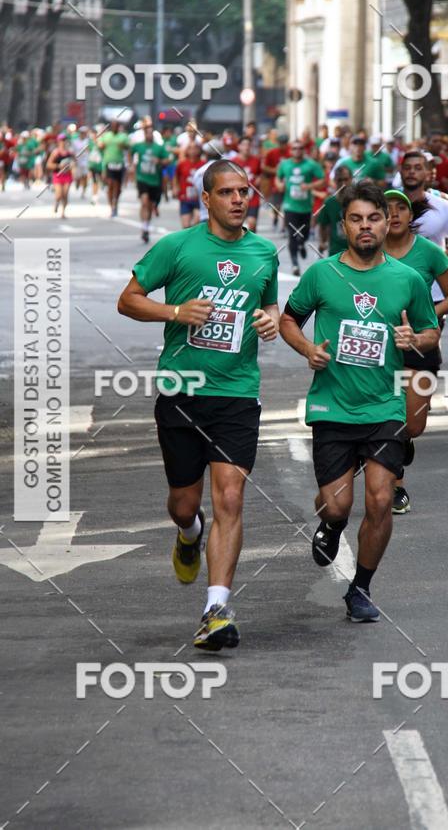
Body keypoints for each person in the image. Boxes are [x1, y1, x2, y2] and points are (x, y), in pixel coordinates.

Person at [117, 160, 280, 650]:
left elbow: (268, 303)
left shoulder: (263, 252)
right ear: (205, 199)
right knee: (184, 502)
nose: (237, 199)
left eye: (244, 191)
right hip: (182, 390)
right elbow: (128, 299)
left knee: (230, 495)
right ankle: (189, 533)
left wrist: (270, 320)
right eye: (227, 192)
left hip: (236, 393)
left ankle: (216, 608)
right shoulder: (178, 246)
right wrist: (174, 311)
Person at [279, 180, 439, 622]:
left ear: (387, 223)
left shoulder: (407, 279)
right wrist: (307, 348)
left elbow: (431, 331)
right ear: (343, 225)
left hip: (384, 406)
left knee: (382, 499)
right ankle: (330, 526)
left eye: (373, 218)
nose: (365, 227)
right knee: (337, 505)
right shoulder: (322, 274)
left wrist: (415, 338)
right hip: (332, 405)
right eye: (356, 219)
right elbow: (289, 319)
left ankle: (361, 589)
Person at [383, 189, 448, 514]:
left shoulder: (430, 252)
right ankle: (395, 484)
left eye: (400, 208)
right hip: (380, 345)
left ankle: (404, 443)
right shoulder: (367, 251)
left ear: (410, 214)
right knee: (388, 416)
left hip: (422, 343)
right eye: (386, 209)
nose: (394, 214)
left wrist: (428, 317)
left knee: (413, 425)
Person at [395, 150, 448, 296]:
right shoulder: (386, 203)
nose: (411, 172)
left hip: (433, 292)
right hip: (394, 288)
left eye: (418, 168)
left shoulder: (442, 206)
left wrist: (436, 261)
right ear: (400, 171)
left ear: (427, 173)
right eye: (407, 168)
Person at [276, 139, 325, 276]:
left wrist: (309, 186)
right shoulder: (285, 164)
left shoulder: (311, 165)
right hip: (290, 206)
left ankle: (302, 244)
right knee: (292, 235)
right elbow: (278, 178)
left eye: (300, 148)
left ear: (304, 150)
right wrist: (279, 184)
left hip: (305, 207)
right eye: (295, 148)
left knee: (305, 233)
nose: (297, 150)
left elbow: (322, 179)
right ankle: (295, 264)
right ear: (291, 150)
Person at [130, 123, 170, 243]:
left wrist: (159, 161)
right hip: (142, 178)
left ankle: (147, 223)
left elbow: (167, 160)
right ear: (144, 134)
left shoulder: (159, 147)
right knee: (144, 202)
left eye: (151, 133)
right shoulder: (138, 146)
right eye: (147, 133)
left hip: (155, 180)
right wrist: (131, 165)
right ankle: (144, 228)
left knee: (150, 205)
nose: (149, 135)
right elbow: (130, 152)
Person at [316, 165, 353, 255]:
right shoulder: (329, 202)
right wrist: (322, 242)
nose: (343, 183)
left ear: (351, 179)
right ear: (334, 181)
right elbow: (322, 225)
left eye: (346, 179)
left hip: (357, 251)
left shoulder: (358, 200)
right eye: (339, 180)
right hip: (336, 251)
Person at [98, 120, 129, 217]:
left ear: (119, 127)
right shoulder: (106, 136)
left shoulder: (123, 136)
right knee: (110, 184)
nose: (115, 127)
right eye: (113, 126)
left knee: (118, 187)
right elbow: (100, 146)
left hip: (119, 163)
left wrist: (123, 146)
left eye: (117, 126)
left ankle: (116, 203)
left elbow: (128, 146)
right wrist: (101, 145)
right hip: (108, 163)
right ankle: (111, 206)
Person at [232, 136, 262, 231]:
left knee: (252, 224)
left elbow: (260, 174)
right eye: (244, 145)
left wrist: (259, 179)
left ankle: (251, 243)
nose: (247, 147)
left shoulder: (256, 160)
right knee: (237, 225)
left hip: (252, 197)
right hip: (238, 198)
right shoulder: (233, 162)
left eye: (249, 145)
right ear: (239, 147)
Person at [261, 133, 289, 231]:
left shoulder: (290, 152)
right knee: (277, 205)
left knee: (287, 205)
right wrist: (275, 170)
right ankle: (276, 218)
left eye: (285, 143)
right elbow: (264, 167)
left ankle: (285, 225)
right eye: (281, 143)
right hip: (275, 182)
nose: (283, 145)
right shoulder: (272, 153)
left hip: (289, 183)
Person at [173, 143, 204, 228]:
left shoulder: (203, 164)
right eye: (190, 148)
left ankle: (193, 236)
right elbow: (176, 177)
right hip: (185, 197)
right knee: (185, 225)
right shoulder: (182, 164)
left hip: (199, 198)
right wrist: (175, 187)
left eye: (195, 148)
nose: (193, 151)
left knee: (197, 221)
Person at [46, 133, 74, 218]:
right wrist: (58, 166)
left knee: (65, 194)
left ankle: (63, 212)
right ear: (58, 141)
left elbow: (74, 162)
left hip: (67, 175)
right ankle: (57, 202)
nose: (63, 142)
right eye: (62, 140)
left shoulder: (70, 152)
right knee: (59, 195)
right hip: (58, 175)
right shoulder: (55, 152)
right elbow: (48, 165)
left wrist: (73, 166)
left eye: (65, 140)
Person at [71, 126, 90, 199]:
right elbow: (72, 152)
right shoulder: (75, 141)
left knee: (85, 177)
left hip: (86, 161)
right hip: (77, 161)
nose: (83, 134)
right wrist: (74, 160)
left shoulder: (88, 141)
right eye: (82, 133)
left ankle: (83, 192)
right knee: (78, 177)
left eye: (84, 133)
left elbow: (90, 150)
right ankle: (77, 184)